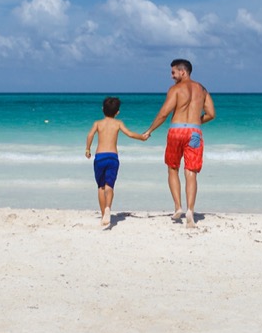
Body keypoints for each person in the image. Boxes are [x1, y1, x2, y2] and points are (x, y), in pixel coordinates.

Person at [144, 59, 215, 227]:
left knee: (173, 168)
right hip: (194, 132)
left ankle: (178, 207)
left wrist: (150, 130)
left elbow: (164, 113)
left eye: (173, 72)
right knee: (191, 172)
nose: (171, 76)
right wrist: (195, 122)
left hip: (176, 131)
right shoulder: (202, 89)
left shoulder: (175, 89)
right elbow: (211, 114)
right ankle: (190, 210)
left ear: (183, 72)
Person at [84, 96, 148, 229]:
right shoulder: (118, 123)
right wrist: (142, 138)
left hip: (100, 157)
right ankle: (108, 208)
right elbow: (130, 134)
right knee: (110, 187)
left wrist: (88, 149)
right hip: (113, 157)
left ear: (102, 109)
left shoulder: (97, 123)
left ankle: (103, 215)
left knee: (101, 187)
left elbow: (90, 135)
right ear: (117, 112)